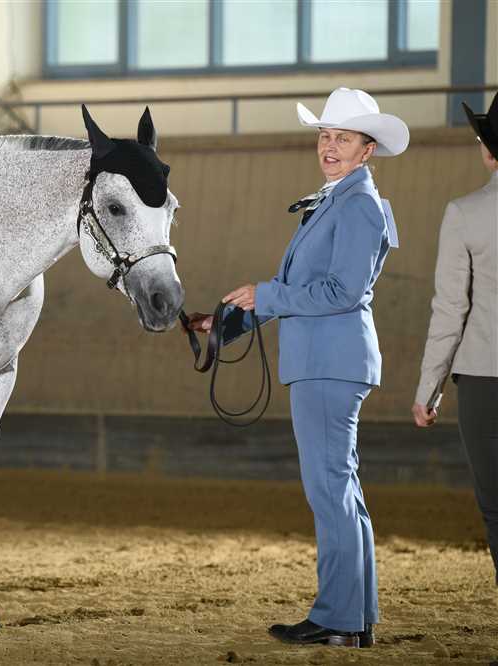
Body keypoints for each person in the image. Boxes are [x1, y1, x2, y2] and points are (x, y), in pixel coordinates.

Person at [186, 88, 408, 648]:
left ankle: (338, 618)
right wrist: (228, 322)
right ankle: (355, 616)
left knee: (330, 492)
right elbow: (300, 291)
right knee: (341, 491)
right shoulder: (337, 201)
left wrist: (265, 294)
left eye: (343, 138)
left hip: (329, 363)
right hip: (327, 360)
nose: (329, 146)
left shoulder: (356, 205)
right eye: (325, 136)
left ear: (367, 150)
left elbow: (341, 292)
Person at [412, 92, 498, 584]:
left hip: (485, 379)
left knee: (497, 509)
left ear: (489, 150)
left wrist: (429, 388)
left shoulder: (465, 212)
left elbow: (451, 309)